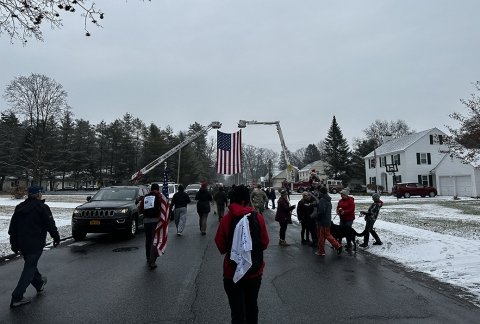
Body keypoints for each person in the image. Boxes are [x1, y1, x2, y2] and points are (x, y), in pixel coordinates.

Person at [215, 185, 269, 324]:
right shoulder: (258, 218)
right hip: (254, 272)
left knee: (237, 312)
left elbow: (220, 246)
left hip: (232, 272)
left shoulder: (226, 220)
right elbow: (264, 243)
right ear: (246, 201)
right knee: (252, 307)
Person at [8, 185, 60, 308]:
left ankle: (39, 283)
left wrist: (14, 244)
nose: (41, 194)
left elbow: (13, 228)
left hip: (22, 243)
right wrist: (56, 237)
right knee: (29, 268)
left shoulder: (20, 207)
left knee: (30, 265)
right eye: (41, 192)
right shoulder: (42, 207)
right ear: (38, 194)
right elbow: (50, 224)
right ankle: (17, 297)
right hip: (35, 243)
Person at [139, 183, 164, 269]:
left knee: (148, 240)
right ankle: (152, 261)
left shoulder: (145, 198)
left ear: (151, 189)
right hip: (155, 221)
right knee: (154, 240)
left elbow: (141, 209)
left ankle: (148, 257)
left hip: (146, 221)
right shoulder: (159, 197)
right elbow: (163, 208)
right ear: (157, 189)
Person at [313, 186, 342, 256]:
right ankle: (321, 251)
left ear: (321, 192)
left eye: (319, 192)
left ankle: (338, 246)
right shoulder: (327, 199)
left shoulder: (323, 200)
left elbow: (321, 211)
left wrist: (315, 216)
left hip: (323, 221)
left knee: (325, 236)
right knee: (322, 236)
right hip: (326, 220)